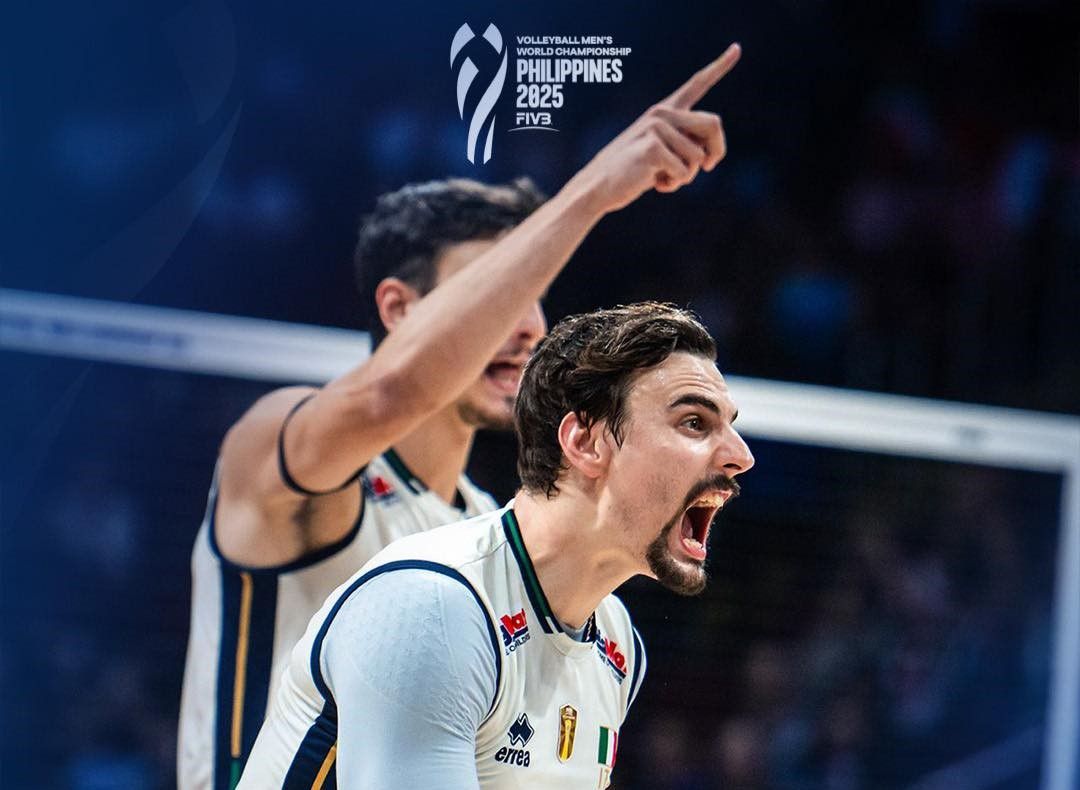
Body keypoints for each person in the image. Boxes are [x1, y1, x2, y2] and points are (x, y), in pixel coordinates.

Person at [179, 40, 743, 790]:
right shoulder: (281, 450)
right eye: (496, 293)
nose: (527, 326)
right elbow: (390, 395)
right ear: (399, 308)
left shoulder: (498, 537)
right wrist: (594, 191)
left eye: (533, 296)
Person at [238, 301, 755, 788]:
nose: (742, 456)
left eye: (728, 426)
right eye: (694, 423)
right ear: (585, 443)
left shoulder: (616, 642)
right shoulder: (434, 606)